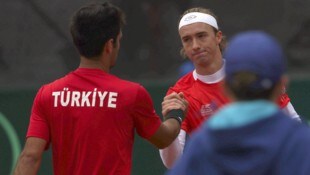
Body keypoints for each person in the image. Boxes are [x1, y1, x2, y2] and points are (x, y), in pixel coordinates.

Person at [13, 2, 188, 175]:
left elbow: (30, 157)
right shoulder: (132, 94)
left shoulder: (48, 94)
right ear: (109, 45)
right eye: (118, 41)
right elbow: (163, 138)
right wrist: (176, 114)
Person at [160, 7, 301, 168]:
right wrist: (169, 126)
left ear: (218, 37)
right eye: (187, 40)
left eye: (201, 36)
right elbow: (172, 163)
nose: (195, 45)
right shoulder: (180, 94)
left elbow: (293, 122)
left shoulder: (252, 74)